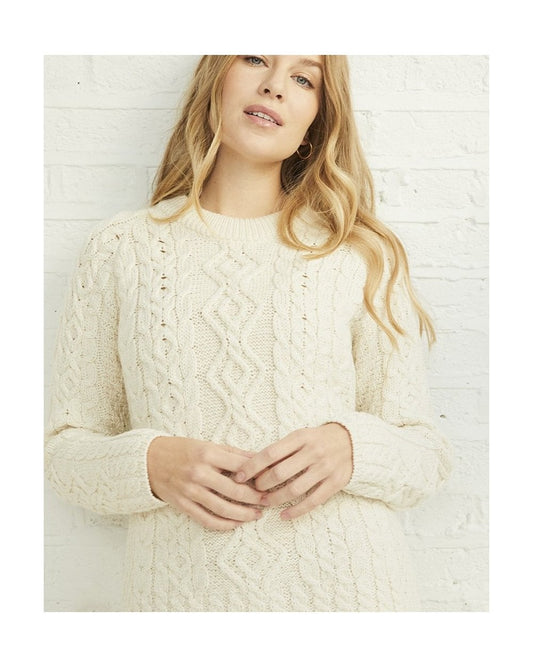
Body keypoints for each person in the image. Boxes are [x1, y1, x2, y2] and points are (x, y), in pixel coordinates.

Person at [45, 55, 452, 612]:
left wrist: (352, 447)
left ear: (316, 123)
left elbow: (426, 455)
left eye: (304, 79)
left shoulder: (357, 254)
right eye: (256, 58)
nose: (274, 86)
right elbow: (66, 453)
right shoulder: (120, 250)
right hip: (181, 603)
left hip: (352, 595)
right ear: (215, 78)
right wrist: (152, 463)